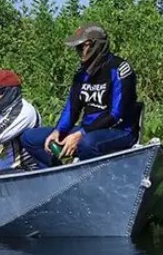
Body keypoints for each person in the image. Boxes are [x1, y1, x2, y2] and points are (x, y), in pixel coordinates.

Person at [21, 23, 139, 168]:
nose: (79, 52)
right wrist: (58, 131)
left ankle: (92, 179)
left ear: (94, 45)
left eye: (81, 47)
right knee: (30, 138)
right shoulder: (81, 74)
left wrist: (81, 134)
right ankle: (59, 175)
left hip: (119, 131)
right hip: (87, 131)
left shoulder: (119, 69)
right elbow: (71, 109)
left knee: (87, 143)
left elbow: (115, 114)